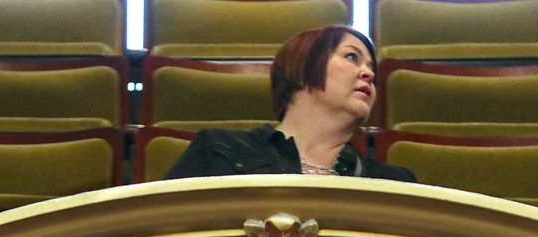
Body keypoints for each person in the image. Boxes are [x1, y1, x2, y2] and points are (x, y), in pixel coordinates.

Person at [165, 26, 414, 182]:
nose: (368, 74)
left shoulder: (392, 181)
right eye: (352, 57)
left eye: (372, 68)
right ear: (303, 67)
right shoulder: (216, 150)